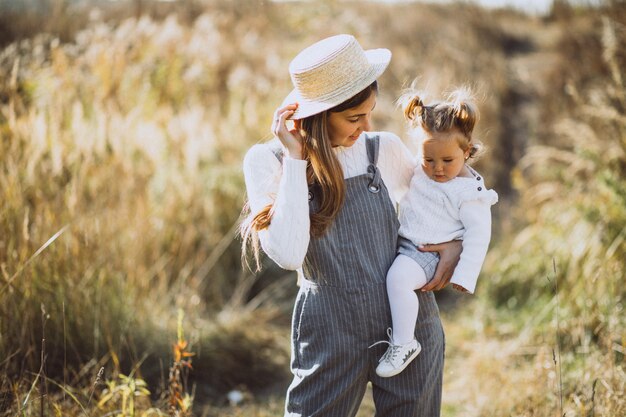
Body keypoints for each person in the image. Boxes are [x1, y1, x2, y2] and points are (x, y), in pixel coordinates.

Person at [240, 34, 461, 417]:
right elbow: (290, 254)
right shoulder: (268, 161)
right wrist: (295, 160)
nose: (366, 126)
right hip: (330, 331)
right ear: (318, 114)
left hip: (407, 325)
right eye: (354, 118)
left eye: (369, 112)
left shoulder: (382, 149)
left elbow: (443, 201)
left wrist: (456, 244)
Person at [374, 89, 498, 379]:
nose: (437, 169)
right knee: (391, 278)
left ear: (466, 153)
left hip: (427, 252)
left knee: (398, 280)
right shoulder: (421, 168)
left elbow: (479, 235)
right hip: (408, 244)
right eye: (429, 160)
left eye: (447, 161)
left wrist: (465, 276)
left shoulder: (467, 192)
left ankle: (404, 343)